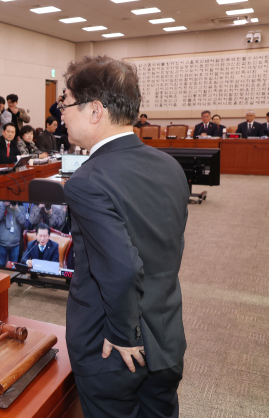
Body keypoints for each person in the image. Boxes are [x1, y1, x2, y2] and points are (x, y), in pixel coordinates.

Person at [60, 55, 189, 418]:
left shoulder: (87, 181)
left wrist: (122, 335)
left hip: (113, 351)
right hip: (166, 337)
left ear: (95, 111)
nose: (61, 113)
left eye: (65, 102)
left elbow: (122, 269)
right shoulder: (170, 166)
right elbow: (169, 249)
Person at [0, 201, 25, 267]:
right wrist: (4, 205)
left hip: (15, 244)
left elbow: (22, 221)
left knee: (13, 266)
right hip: (3, 243)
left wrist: (16, 208)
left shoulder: (21, 208)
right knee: (1, 265)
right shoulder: (2, 206)